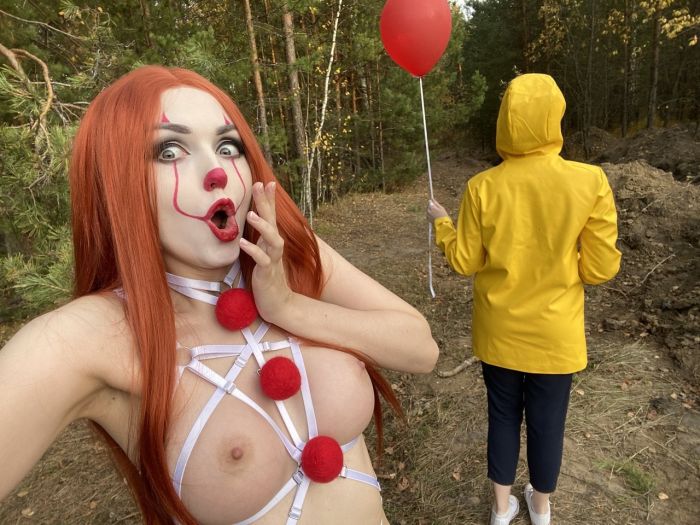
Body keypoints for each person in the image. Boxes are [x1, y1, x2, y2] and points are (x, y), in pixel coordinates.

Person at [0, 65, 439, 525]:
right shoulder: (95, 335)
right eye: (169, 151)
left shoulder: (283, 254)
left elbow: (422, 349)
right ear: (114, 181)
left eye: (228, 147)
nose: (216, 173)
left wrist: (288, 307)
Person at [426, 74, 621, 525]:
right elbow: (599, 269)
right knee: (547, 423)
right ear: (556, 117)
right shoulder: (589, 181)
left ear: (506, 120)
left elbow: (464, 261)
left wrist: (442, 223)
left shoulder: (482, 186)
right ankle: (540, 507)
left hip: (499, 332)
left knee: (502, 416)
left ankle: (501, 508)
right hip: (556, 334)